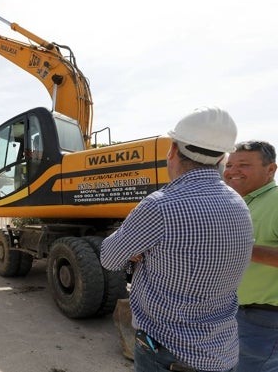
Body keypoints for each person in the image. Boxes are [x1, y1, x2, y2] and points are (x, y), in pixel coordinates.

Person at [100, 107, 254, 372]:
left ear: (172, 151)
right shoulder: (238, 204)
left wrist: (139, 247)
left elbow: (109, 258)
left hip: (168, 354)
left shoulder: (160, 206)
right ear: (222, 157)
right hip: (222, 353)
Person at [223, 140, 278, 372]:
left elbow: (237, 249)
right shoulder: (238, 203)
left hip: (265, 319)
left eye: (243, 165)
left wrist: (242, 248)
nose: (232, 171)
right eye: (229, 165)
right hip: (237, 312)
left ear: (271, 169)